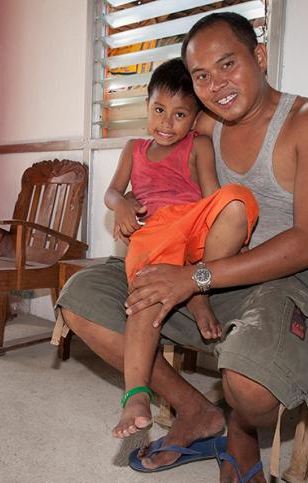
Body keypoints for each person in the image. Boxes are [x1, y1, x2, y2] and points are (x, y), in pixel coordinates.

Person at [56, 11, 308, 483]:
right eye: (202, 76)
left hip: (278, 281)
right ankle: (197, 414)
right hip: (191, 269)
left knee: (252, 389)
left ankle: (239, 430)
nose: (216, 85)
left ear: (259, 57)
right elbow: (155, 175)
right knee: (80, 299)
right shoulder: (199, 121)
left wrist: (195, 278)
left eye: (227, 65)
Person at [105, 58, 259, 439]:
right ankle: (136, 394)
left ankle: (197, 290)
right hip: (154, 233)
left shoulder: (198, 145)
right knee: (146, 296)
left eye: (179, 115)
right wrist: (122, 203)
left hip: (191, 226)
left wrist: (221, 225)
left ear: (194, 119)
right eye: (159, 110)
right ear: (147, 108)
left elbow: (212, 196)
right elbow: (112, 191)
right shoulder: (133, 149)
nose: (166, 123)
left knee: (235, 199)